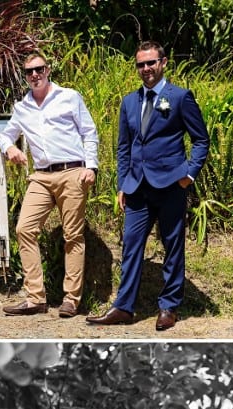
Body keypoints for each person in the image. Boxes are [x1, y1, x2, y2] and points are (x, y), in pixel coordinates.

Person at [86, 41, 209, 332]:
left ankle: (168, 307)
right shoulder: (129, 101)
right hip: (137, 188)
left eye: (151, 63)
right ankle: (123, 308)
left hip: (170, 186)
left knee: (172, 247)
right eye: (141, 64)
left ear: (163, 63)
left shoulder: (180, 97)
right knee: (130, 247)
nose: (146, 69)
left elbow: (201, 140)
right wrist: (121, 185)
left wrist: (189, 174)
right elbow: (124, 147)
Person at [0, 52, 98, 318]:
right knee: (24, 229)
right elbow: (5, 136)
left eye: (39, 69)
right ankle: (35, 298)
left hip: (72, 171)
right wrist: (10, 149)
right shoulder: (22, 107)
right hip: (41, 176)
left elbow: (89, 132)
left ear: (48, 69)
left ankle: (71, 299)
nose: (35, 75)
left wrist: (91, 167)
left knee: (73, 236)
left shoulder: (69, 97)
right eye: (29, 71)